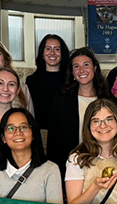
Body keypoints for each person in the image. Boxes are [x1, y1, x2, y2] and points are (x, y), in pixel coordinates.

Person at [47, 47, 112, 177]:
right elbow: (53, 140)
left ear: (95, 68)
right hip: (70, 166)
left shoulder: (107, 99)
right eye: (76, 66)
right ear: (72, 72)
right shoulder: (62, 99)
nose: (81, 70)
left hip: (102, 165)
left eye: (86, 65)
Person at [25, 34, 70, 131]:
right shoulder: (31, 81)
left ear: (62, 53)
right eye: (48, 48)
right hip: (39, 133)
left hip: (65, 132)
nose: (52, 53)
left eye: (57, 49)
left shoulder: (71, 81)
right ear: (42, 52)